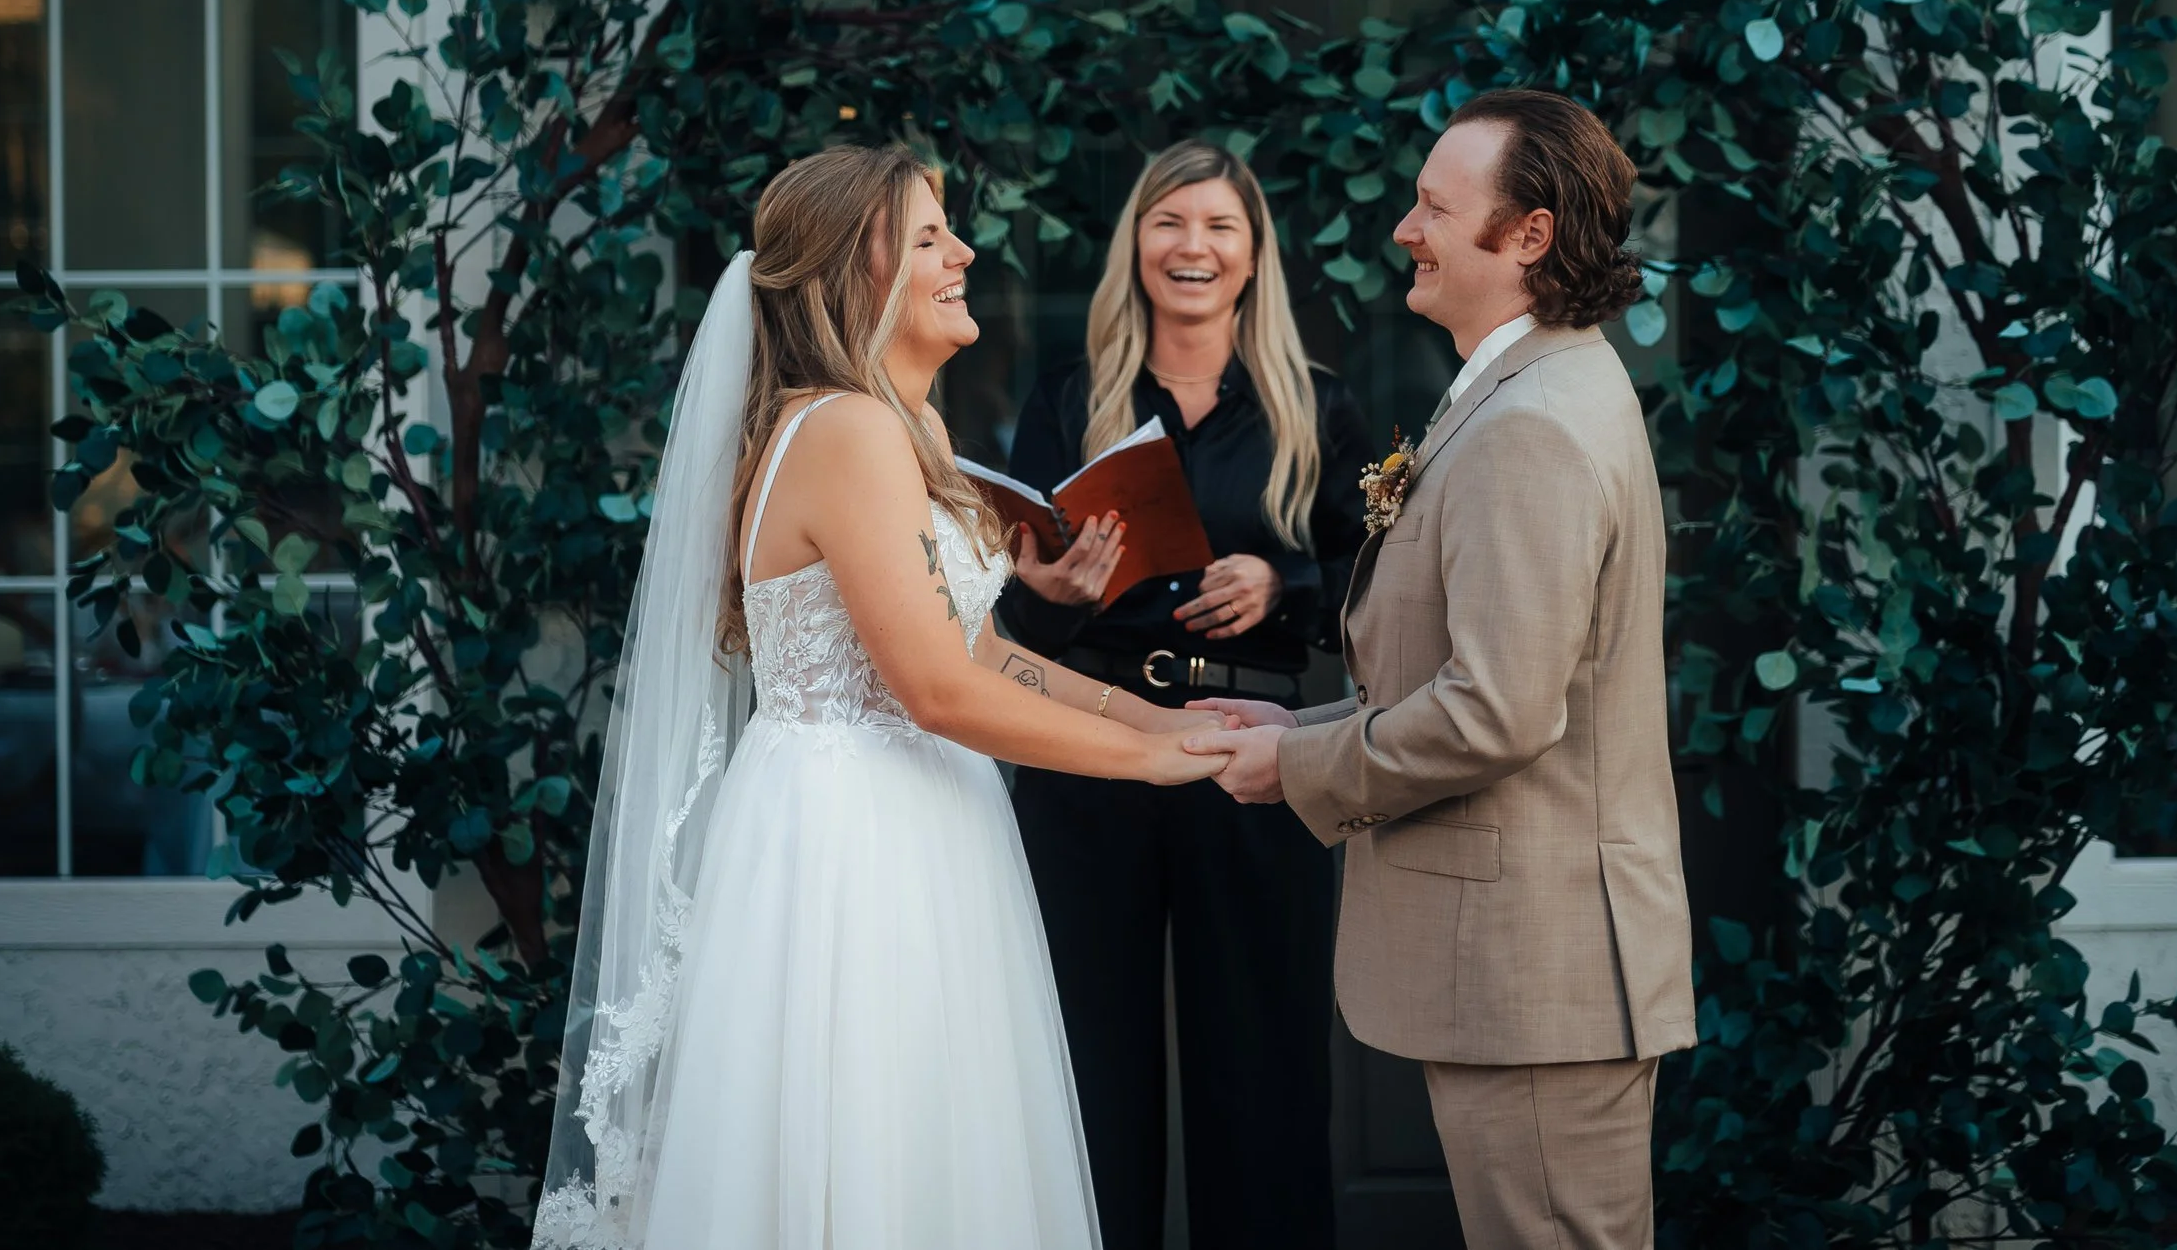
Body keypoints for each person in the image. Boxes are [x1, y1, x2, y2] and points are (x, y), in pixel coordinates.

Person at [534, 144, 1228, 1250]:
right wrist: (1153, 766)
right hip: (851, 835)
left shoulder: (903, 428)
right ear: (855, 275)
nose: (963, 252)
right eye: (927, 237)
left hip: (925, 810)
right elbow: (936, 687)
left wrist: (1169, 721)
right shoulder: (846, 430)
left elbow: (986, 651)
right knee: (865, 1132)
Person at [1186, 89, 1697, 1250]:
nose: (1404, 229)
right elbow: (1459, 667)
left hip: (1540, 976)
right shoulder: (1524, 387)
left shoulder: (1534, 424)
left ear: (1528, 236)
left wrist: (1295, 765)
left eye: (1431, 206)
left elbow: (1498, 710)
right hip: (1526, 973)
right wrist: (1284, 716)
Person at [995, 142, 1369, 1250]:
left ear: (1254, 256)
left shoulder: (1320, 407)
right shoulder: (1069, 397)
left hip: (1253, 754)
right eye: (1168, 223)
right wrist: (1059, 594)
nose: (1192, 247)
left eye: (1217, 226)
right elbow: (1017, 627)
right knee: (1084, 1055)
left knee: (1260, 1060)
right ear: (1135, 247)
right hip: (1092, 748)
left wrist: (1286, 582)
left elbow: (1387, 592)